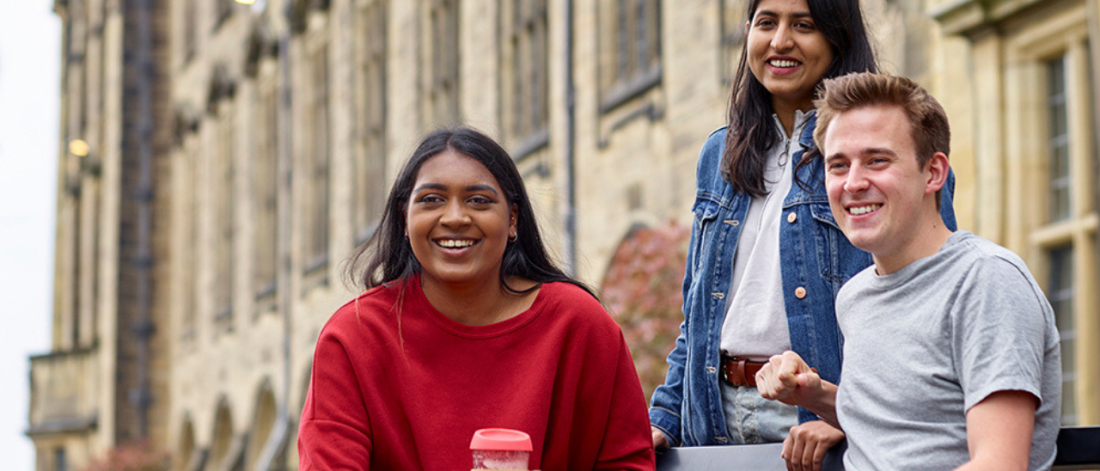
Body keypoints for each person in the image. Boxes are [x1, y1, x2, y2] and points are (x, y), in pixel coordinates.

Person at [648, 0, 956, 468]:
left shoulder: (889, 153)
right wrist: (664, 418)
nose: (780, 41)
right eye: (766, 22)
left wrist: (846, 413)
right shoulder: (719, 153)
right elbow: (697, 319)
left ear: (838, 37)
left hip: (817, 425)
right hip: (711, 418)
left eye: (804, 25)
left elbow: (922, 307)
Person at [297, 127, 656, 471]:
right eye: (432, 199)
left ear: (512, 219)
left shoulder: (579, 324)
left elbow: (627, 463)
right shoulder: (354, 336)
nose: (455, 217)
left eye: (478, 200)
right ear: (405, 218)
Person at [756, 72, 1062, 471]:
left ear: (933, 173)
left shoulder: (985, 280)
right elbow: (906, 426)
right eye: (838, 165)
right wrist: (814, 396)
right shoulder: (856, 296)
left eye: (876, 160)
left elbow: (999, 463)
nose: (853, 183)